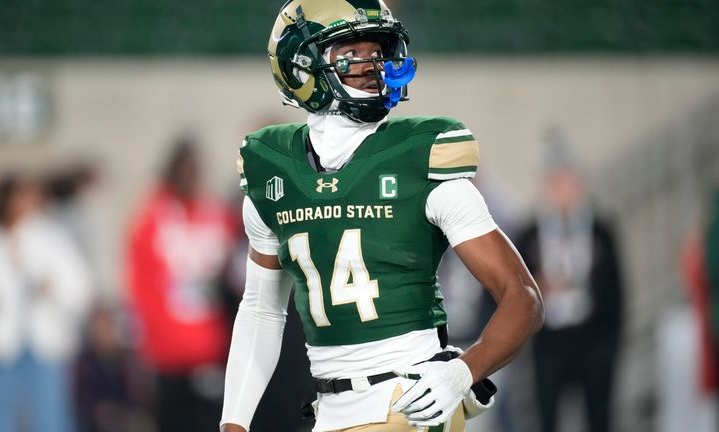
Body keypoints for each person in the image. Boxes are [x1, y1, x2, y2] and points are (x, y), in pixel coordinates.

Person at [220, 2, 544, 432]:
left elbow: (523, 296)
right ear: (300, 67)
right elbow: (261, 309)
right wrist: (234, 423)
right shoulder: (272, 170)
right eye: (350, 52)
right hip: (328, 408)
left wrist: (463, 371)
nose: (371, 64)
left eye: (377, 50)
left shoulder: (422, 159)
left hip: (405, 399)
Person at [0, 172, 93, 432]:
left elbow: (80, 289)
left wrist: (52, 289)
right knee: (0, 419)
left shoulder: (53, 239)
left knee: (49, 419)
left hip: (43, 347)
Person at [125, 138, 239, 432]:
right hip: (167, 351)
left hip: (210, 347)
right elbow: (140, 281)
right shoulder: (154, 217)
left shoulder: (215, 214)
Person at [514, 132, 623, 432]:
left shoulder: (601, 231)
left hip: (593, 339)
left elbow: (616, 292)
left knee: (599, 416)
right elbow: (514, 288)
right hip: (550, 342)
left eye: (567, 181)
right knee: (547, 417)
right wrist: (538, 287)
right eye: (555, 182)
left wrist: (610, 345)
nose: (563, 190)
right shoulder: (530, 234)